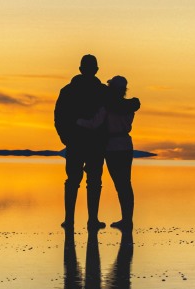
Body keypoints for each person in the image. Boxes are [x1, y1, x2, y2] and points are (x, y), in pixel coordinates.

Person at [77, 76, 140, 230]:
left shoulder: (107, 106)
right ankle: (127, 220)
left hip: (112, 147)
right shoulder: (130, 106)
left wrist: (78, 121)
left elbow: (94, 124)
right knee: (125, 184)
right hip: (126, 146)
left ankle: (125, 221)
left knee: (120, 183)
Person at [54, 54, 107, 230]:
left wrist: (66, 138)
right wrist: (66, 138)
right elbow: (59, 117)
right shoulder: (100, 92)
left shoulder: (70, 91)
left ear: (81, 69)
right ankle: (87, 220)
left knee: (78, 180)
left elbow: (59, 117)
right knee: (88, 181)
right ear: (95, 70)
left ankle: (75, 220)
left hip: (84, 143)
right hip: (86, 143)